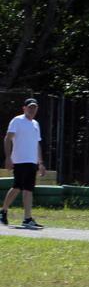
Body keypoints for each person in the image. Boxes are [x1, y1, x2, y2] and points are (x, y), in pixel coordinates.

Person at [1, 98, 45, 229]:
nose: (32, 110)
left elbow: (37, 143)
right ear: (24, 108)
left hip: (32, 161)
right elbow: (7, 138)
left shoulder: (36, 124)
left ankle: (27, 218)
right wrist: (8, 157)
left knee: (28, 189)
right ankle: (3, 211)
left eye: (34, 107)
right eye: (30, 107)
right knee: (17, 187)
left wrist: (40, 162)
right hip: (20, 160)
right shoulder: (17, 120)